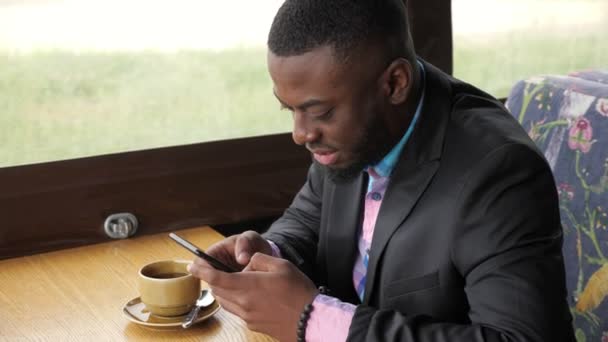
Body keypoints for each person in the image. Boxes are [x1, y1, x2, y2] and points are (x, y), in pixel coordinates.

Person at [188, 0, 575, 341]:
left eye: (318, 112)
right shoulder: (350, 129)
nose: (300, 133)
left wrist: (312, 321)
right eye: (289, 109)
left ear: (394, 83)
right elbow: (309, 219)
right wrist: (265, 253)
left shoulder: (499, 171)